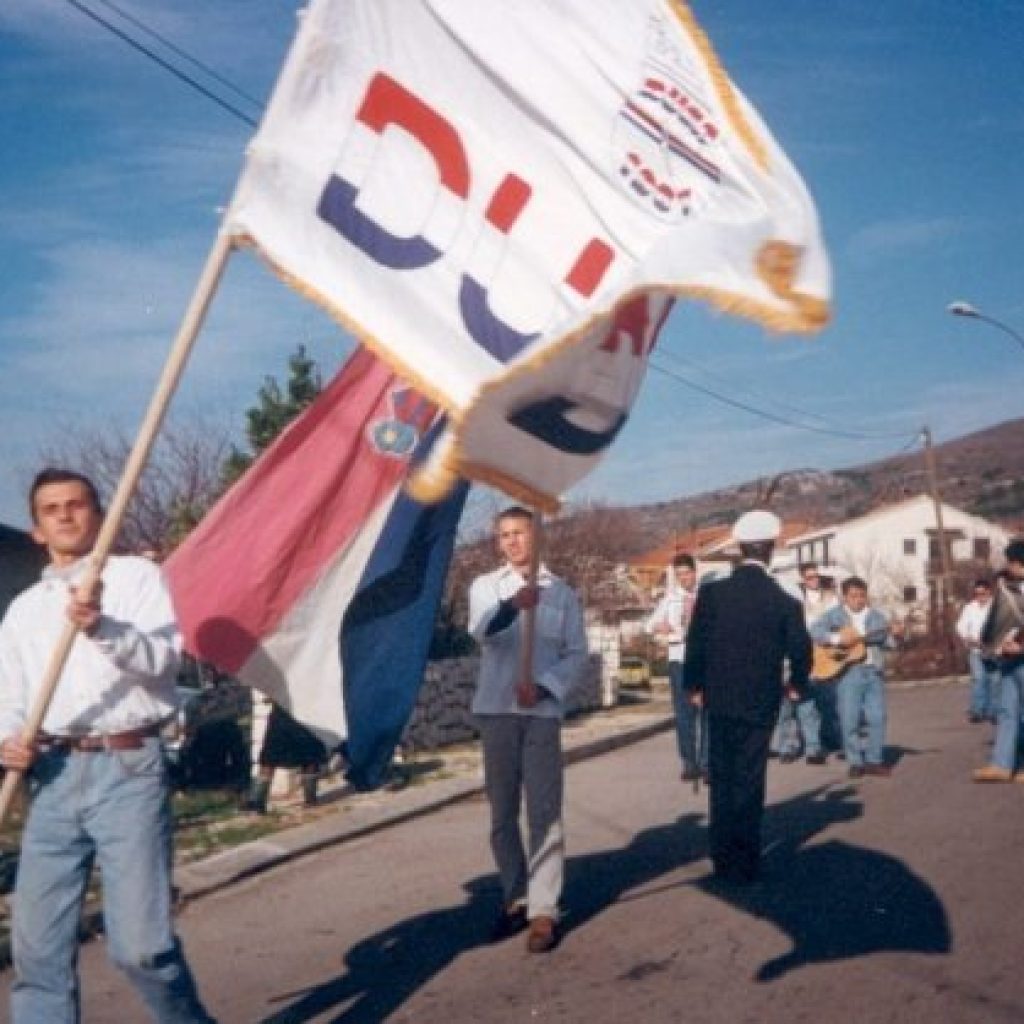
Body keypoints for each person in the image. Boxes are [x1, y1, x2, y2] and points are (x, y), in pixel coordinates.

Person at [0, 468, 215, 1023]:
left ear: (99, 515)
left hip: (128, 767)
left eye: (76, 505)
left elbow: (163, 662)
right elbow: (11, 697)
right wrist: (8, 741)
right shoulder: (24, 609)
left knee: (142, 948)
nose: (65, 516)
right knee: (37, 952)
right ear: (37, 530)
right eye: (52, 509)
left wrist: (102, 627)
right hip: (52, 776)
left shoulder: (136, 577)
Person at [468, 506, 587, 953]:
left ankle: (544, 911)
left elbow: (577, 653)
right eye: (504, 535)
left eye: (519, 532)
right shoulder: (485, 587)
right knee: (502, 813)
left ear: (536, 536)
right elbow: (481, 631)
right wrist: (512, 607)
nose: (512, 541)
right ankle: (515, 896)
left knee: (544, 812)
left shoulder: (562, 594)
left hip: (540, 714)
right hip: (496, 711)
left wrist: (545, 686)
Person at [683, 509, 812, 885]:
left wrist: (693, 685)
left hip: (719, 697)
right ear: (771, 549)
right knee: (750, 778)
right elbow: (800, 649)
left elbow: (696, 644)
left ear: (739, 548)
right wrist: (797, 684)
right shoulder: (785, 597)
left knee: (721, 777)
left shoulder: (712, 593)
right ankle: (746, 860)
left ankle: (722, 858)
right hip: (760, 699)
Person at [810, 576, 900, 779]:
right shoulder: (835, 615)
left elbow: (887, 642)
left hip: (873, 671)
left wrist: (895, 635)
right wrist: (837, 638)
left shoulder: (876, 617)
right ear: (844, 597)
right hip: (848, 671)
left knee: (877, 717)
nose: (858, 600)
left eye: (862, 596)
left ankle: (874, 760)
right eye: (853, 596)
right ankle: (855, 761)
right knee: (849, 719)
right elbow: (815, 630)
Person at [645, 553, 706, 782]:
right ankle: (689, 763)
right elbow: (649, 625)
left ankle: (707, 763)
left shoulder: (706, 596)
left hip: (704, 661)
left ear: (694, 572)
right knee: (683, 713)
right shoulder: (671, 599)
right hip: (679, 659)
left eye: (686, 573)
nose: (683, 578)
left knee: (707, 711)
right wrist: (662, 629)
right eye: (679, 575)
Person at [972, 540, 1024, 783]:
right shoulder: (1007, 587)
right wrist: (993, 642)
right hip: (1008, 657)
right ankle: (1002, 764)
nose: (1009, 567)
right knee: (1006, 711)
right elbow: (999, 619)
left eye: (1012, 562)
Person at [772, 561, 831, 765]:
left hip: (804, 657)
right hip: (783, 660)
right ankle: (787, 747)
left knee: (807, 704)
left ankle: (813, 748)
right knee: (786, 708)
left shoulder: (801, 604)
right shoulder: (778, 607)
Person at [246, 697, 327, 813]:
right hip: (289, 713)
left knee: (309, 756)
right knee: (269, 757)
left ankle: (257, 803)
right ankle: (257, 803)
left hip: (303, 713)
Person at [956, 579, 999, 724]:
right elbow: (961, 625)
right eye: (977, 594)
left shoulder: (995, 607)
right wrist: (967, 637)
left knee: (994, 680)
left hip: (992, 649)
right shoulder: (970, 608)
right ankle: (977, 711)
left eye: (983, 593)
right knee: (979, 678)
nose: (980, 597)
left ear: (989, 592)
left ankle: (993, 711)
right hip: (975, 649)